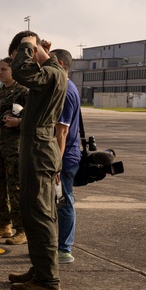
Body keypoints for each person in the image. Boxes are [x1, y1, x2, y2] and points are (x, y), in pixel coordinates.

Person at [6, 32, 67, 290]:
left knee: (40, 214)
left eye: (23, 52)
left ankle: (47, 280)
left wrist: (28, 45)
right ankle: (40, 268)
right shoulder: (51, 71)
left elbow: (21, 72)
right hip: (36, 146)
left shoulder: (51, 74)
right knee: (33, 212)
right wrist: (36, 49)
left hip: (40, 149)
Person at [0, 58, 28, 243]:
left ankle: (22, 229)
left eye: (4, 69)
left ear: (13, 70)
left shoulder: (24, 92)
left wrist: (18, 122)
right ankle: (4, 225)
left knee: (15, 190)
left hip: (14, 150)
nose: (0, 72)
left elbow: (33, 120)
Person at [52, 49, 80, 265]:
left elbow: (62, 132)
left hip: (64, 158)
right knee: (58, 202)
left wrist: (56, 165)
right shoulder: (65, 87)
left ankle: (64, 249)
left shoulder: (66, 91)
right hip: (64, 156)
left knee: (64, 201)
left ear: (60, 64)